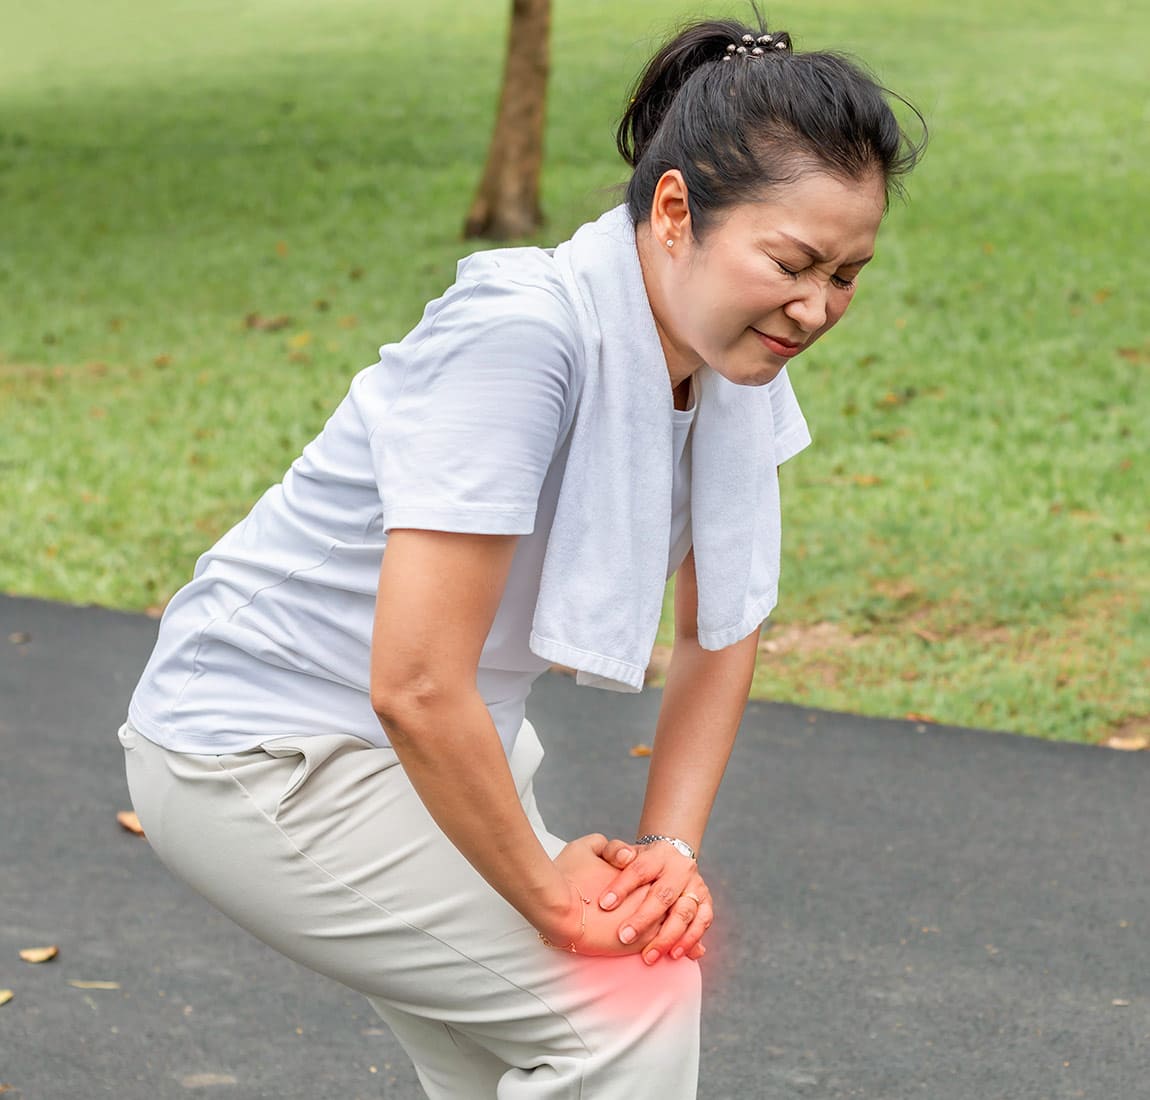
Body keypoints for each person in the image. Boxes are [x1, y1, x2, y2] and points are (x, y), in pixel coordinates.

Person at [118, 13, 923, 1099]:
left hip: (434, 749)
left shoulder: (728, 360)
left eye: (847, 273)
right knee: (624, 1008)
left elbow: (722, 627)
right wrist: (548, 891)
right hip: (265, 753)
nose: (817, 307)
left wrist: (665, 857)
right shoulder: (522, 334)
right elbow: (411, 680)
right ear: (674, 210)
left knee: (520, 1041)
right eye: (792, 262)